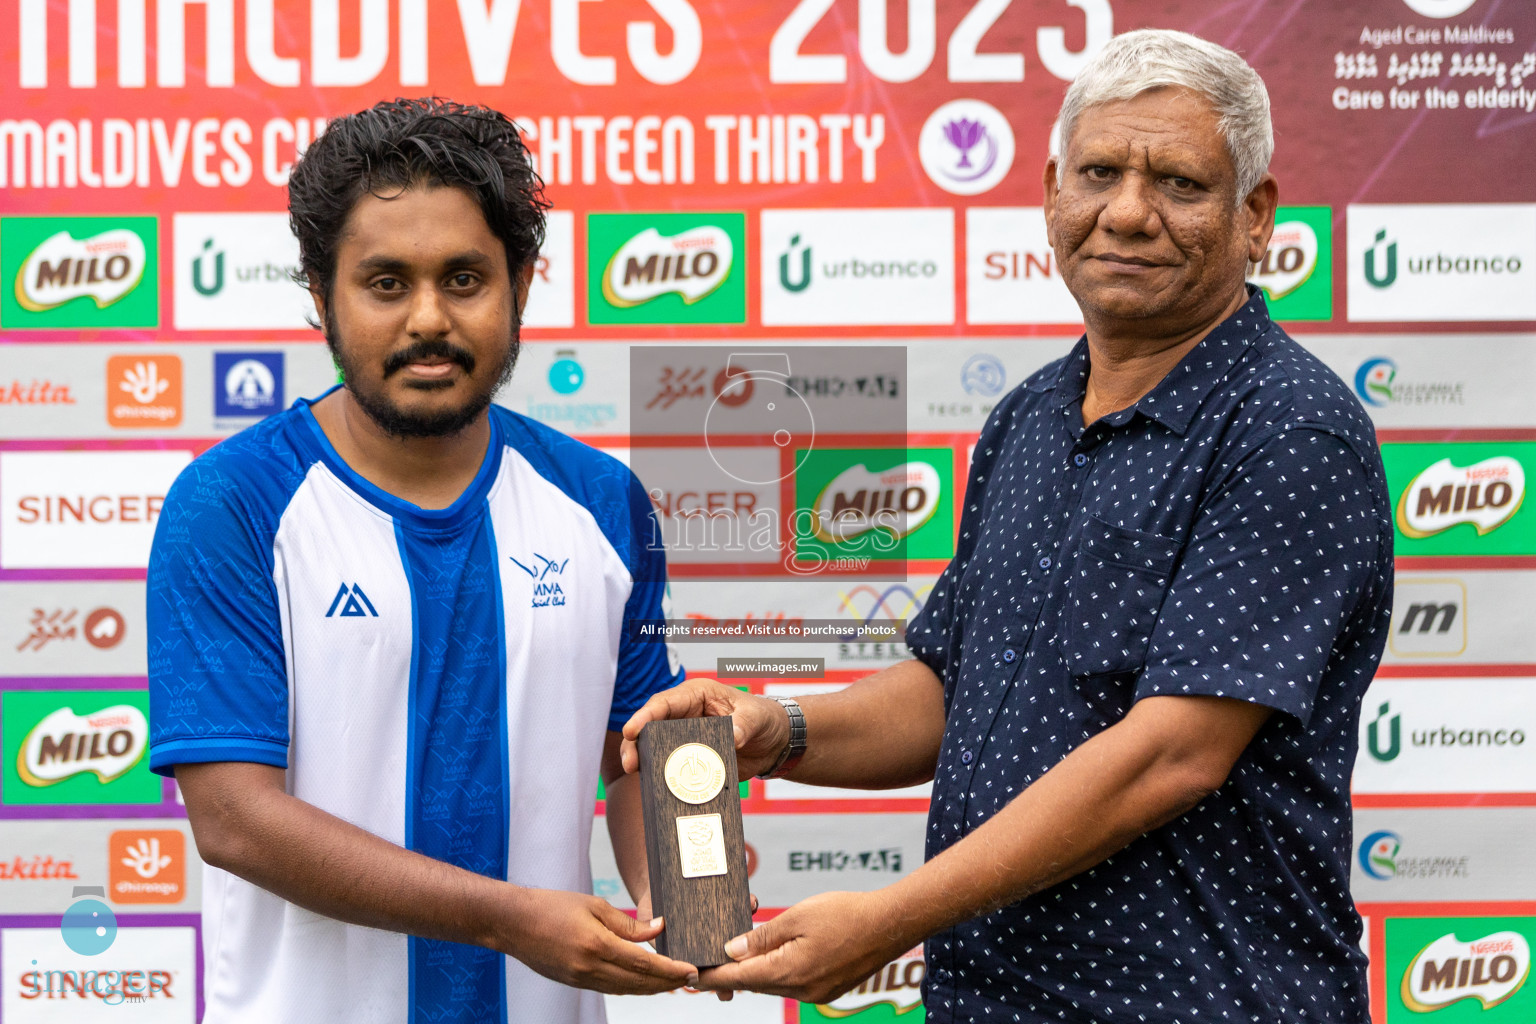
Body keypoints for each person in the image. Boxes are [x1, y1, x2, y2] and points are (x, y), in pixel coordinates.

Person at [621, 29, 1391, 1023]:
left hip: (1205, 1001)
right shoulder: (1028, 417)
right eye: (1099, 172)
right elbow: (955, 689)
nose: (1127, 211)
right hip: (997, 998)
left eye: (1180, 184)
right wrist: (783, 730)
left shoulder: (1290, 427)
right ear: (1050, 194)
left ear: (1255, 219)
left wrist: (889, 916)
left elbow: (1174, 751)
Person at [147, 98, 697, 1024]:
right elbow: (236, 820)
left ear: (521, 284)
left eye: (466, 278)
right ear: (322, 295)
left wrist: (694, 911)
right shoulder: (231, 504)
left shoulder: (604, 502)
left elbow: (645, 755)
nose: (430, 319)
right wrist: (511, 919)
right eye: (387, 283)